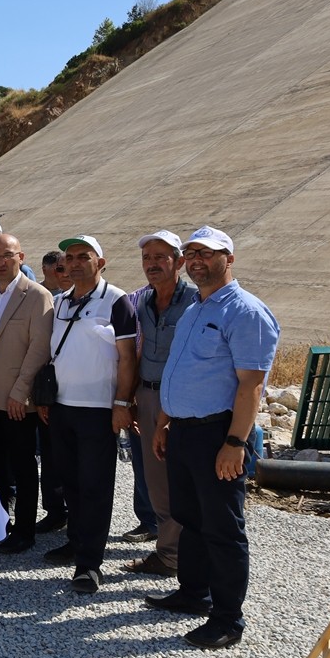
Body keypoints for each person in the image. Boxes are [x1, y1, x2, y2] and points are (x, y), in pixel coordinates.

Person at [145, 226, 279, 650]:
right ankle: (193, 593)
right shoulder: (196, 308)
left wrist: (235, 444)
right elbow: (179, 370)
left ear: (229, 258)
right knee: (190, 518)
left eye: (208, 252)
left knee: (223, 528)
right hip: (184, 432)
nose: (198, 259)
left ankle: (227, 619)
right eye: (192, 252)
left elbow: (250, 387)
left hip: (217, 435)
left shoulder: (246, 312)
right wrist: (164, 422)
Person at [37, 235, 137, 595]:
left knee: (95, 486)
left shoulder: (117, 301)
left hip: (97, 410)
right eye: (70, 257)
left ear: (101, 262)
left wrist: (123, 403)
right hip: (62, 408)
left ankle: (90, 564)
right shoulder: (61, 302)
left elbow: (127, 358)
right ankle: (76, 542)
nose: (75, 263)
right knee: (71, 483)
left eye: (84, 256)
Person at [0, 234, 53, 554]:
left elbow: (39, 348)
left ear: (21, 256)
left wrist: (21, 393)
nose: (0, 262)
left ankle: (25, 530)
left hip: (16, 397)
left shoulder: (36, 295)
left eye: (7, 255)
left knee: (21, 463)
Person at [121, 230, 197, 578]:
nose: (151, 265)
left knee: (184, 482)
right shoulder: (142, 303)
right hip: (148, 397)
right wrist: (131, 398)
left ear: (179, 262)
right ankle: (169, 556)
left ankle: (191, 560)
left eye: (160, 258)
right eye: (146, 258)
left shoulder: (196, 303)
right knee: (156, 482)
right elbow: (137, 354)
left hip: (183, 403)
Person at [35, 248, 69, 533]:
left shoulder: (105, 300)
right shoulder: (43, 299)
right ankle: (56, 509)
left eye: (66, 267)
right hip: (51, 388)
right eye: (59, 268)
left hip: (82, 392)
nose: (65, 273)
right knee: (51, 452)